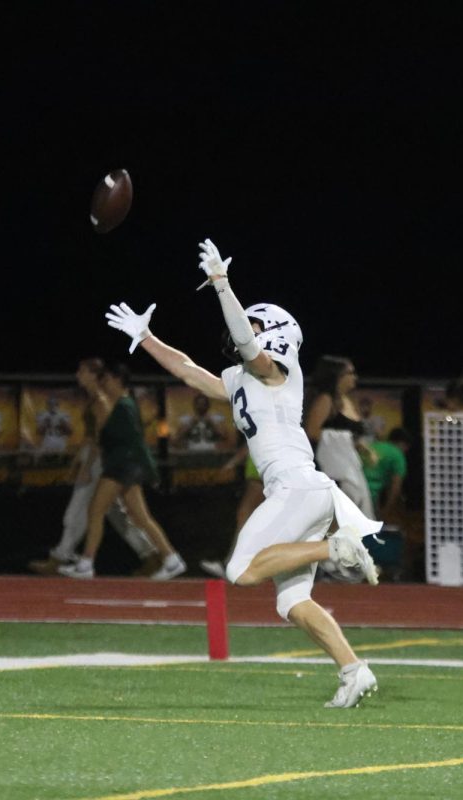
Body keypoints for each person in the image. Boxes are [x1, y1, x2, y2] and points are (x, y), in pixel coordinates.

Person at [104, 238, 383, 708]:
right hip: (303, 491)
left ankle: (336, 546)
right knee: (291, 602)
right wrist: (146, 338)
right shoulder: (238, 381)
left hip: (296, 487)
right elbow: (190, 371)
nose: (243, 332)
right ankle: (354, 671)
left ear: (272, 332)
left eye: (254, 324)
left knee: (239, 569)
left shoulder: (278, 369)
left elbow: (250, 345)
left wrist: (221, 285)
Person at [29, 358, 166, 577]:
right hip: (99, 458)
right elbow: (91, 436)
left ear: (95, 375)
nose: (77, 375)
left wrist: (87, 466)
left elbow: (101, 439)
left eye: (82, 371)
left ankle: (61, 558)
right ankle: (150, 556)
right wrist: (77, 462)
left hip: (102, 461)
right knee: (116, 514)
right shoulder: (96, 399)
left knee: (79, 509)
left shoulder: (102, 400)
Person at [58, 362, 186, 580]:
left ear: (117, 380)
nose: (104, 383)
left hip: (123, 466)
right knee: (141, 517)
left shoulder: (123, 405)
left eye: (106, 379)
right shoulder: (122, 403)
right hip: (126, 465)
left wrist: (147, 469)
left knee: (96, 510)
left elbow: (128, 440)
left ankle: (86, 564)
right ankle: (172, 559)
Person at [305, 355, 377, 517]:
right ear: (337, 376)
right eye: (350, 373)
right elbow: (312, 432)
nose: (354, 377)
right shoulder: (326, 400)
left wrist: (365, 449)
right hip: (332, 473)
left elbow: (352, 436)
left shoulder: (347, 400)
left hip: (350, 467)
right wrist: (341, 441)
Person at [200, 445, 264, 579]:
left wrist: (233, 462)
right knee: (254, 516)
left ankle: (233, 564)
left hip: (264, 464)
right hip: (262, 463)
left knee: (246, 514)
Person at [363, 427, 411, 522]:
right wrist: (386, 510)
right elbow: (396, 487)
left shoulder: (372, 446)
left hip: (351, 490)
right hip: (371, 495)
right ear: (402, 443)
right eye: (406, 447)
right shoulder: (397, 455)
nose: (405, 451)